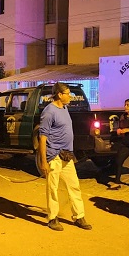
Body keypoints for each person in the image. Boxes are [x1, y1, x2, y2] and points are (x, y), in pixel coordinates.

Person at [38, 82, 91, 231]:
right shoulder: (49, 112)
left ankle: (79, 216)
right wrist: (44, 161)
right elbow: (42, 137)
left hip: (67, 155)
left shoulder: (65, 108)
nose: (71, 97)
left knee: (74, 186)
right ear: (60, 95)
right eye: (68, 94)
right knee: (52, 188)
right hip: (54, 155)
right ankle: (52, 218)